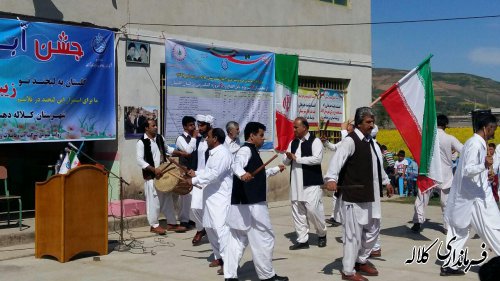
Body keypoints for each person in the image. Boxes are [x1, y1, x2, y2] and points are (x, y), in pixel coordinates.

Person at [324, 107, 394, 281]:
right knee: (352, 235)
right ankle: (348, 271)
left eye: (373, 122)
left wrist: (387, 182)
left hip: (371, 195)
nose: (372, 125)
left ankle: (360, 260)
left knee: (373, 229)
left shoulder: (371, 142)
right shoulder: (350, 141)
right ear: (359, 123)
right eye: (368, 122)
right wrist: (331, 179)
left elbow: (377, 165)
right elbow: (336, 160)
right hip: (353, 196)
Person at [224, 122, 288, 281]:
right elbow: (237, 165)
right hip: (253, 204)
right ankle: (267, 276)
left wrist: (274, 170)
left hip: (241, 204)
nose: (263, 138)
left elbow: (257, 174)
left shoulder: (251, 150)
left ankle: (230, 276)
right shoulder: (245, 150)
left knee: (237, 240)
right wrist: (241, 173)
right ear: (251, 136)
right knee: (264, 237)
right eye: (261, 135)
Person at [442, 113, 500, 276]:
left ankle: (450, 265)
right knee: (493, 226)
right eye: (493, 129)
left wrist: (485, 172)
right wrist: (483, 165)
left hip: (469, 196)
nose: (495, 132)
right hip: (476, 197)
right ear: (486, 128)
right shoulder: (475, 144)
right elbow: (468, 169)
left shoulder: (474, 142)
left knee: (460, 231)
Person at [187, 128, 233, 276]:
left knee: (221, 231)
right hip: (210, 198)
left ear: (215, 139)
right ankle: (219, 258)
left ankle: (229, 264)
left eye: (208, 137)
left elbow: (214, 175)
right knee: (210, 228)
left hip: (220, 199)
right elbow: (208, 171)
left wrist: (194, 180)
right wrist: (196, 173)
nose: (206, 139)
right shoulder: (214, 153)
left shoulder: (223, 154)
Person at [411, 114, 463, 233]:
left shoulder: (427, 138)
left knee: (422, 199)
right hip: (445, 174)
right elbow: (463, 149)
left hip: (429, 172)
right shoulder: (450, 138)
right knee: (446, 202)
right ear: (446, 125)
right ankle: (447, 226)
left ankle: (417, 222)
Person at [135, 118, 188, 235]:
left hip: (163, 175)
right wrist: (154, 169)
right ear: (146, 128)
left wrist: (180, 153)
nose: (155, 127)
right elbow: (139, 160)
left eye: (155, 125)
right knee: (154, 202)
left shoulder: (159, 138)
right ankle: (154, 225)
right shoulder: (141, 143)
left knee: (167, 199)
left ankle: (172, 223)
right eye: (153, 125)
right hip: (152, 177)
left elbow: (167, 149)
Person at [283, 117, 327, 250]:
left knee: (313, 210)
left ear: (305, 128)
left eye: (296, 127)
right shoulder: (293, 142)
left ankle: (321, 234)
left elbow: (317, 159)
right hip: (296, 183)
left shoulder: (315, 141)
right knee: (297, 211)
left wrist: (298, 158)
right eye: (294, 127)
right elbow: (285, 161)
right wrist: (288, 157)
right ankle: (302, 240)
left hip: (311, 182)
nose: (294, 130)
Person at [190, 114, 214, 246]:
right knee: (194, 208)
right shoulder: (199, 140)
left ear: (209, 126)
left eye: (202, 125)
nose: (199, 128)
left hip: (209, 178)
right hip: (198, 178)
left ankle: (209, 230)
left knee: (209, 208)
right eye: (198, 125)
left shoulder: (215, 142)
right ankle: (201, 229)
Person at [322, 120, 351, 227]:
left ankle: (339, 217)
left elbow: (346, 142)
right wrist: (326, 142)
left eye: (349, 126)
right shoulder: (345, 140)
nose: (347, 128)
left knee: (342, 196)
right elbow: (334, 147)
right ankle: (335, 217)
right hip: (339, 173)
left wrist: (343, 130)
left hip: (347, 174)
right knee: (337, 195)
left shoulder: (351, 139)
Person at [175, 116, 197, 229]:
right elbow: (187, 151)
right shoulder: (180, 138)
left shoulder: (197, 138)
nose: (193, 127)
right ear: (184, 126)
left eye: (194, 124)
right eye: (190, 125)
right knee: (185, 195)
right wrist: (193, 138)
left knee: (194, 196)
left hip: (194, 169)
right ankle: (183, 220)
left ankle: (191, 218)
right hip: (184, 169)